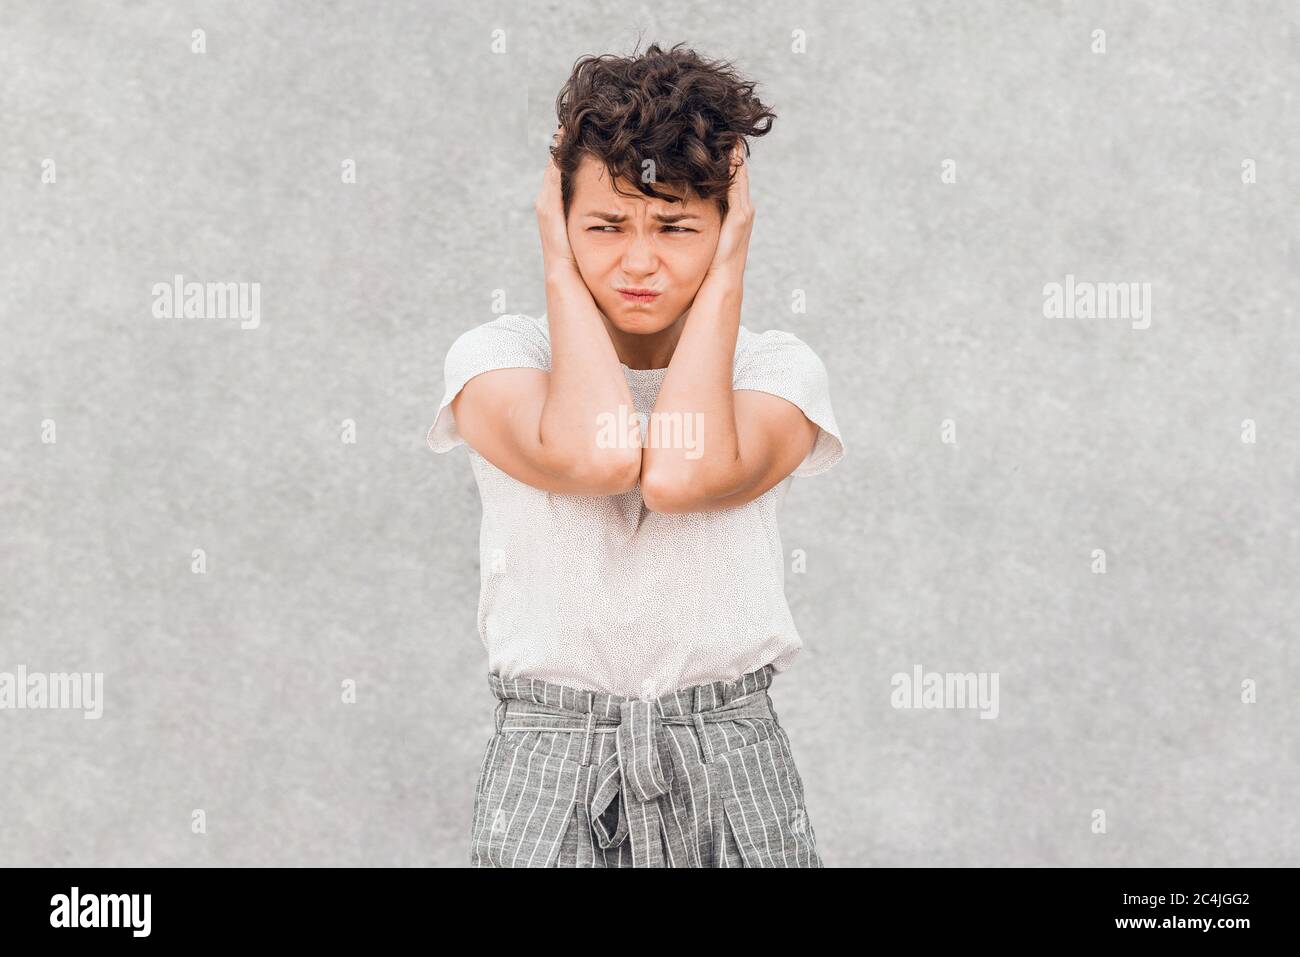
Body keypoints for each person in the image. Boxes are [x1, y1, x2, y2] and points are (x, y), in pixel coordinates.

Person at [427, 42, 845, 867]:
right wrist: (558, 257)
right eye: (606, 226)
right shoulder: (494, 361)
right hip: (549, 755)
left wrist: (727, 272)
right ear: (559, 217)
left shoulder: (776, 371)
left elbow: (683, 475)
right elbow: (601, 453)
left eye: (679, 227)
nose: (641, 261)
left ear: (728, 225)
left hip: (729, 753)